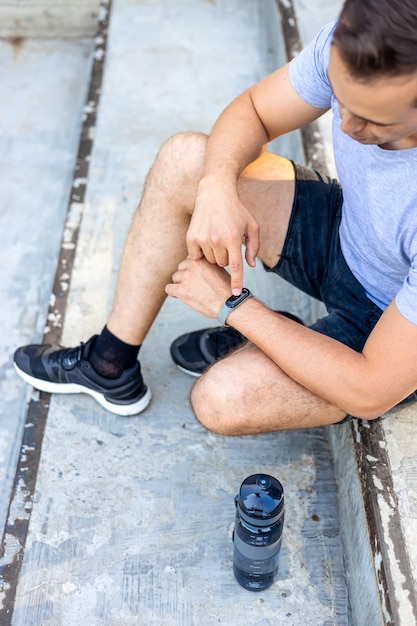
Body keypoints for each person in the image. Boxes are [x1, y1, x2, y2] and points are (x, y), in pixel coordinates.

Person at [14, 0, 417, 434]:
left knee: (222, 402)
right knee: (185, 160)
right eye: (341, 100)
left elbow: (371, 390)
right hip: (348, 231)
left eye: (373, 121)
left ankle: (280, 338)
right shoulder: (358, 39)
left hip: (386, 332)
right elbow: (255, 111)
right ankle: (108, 363)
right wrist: (217, 189)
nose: (345, 126)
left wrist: (235, 307)